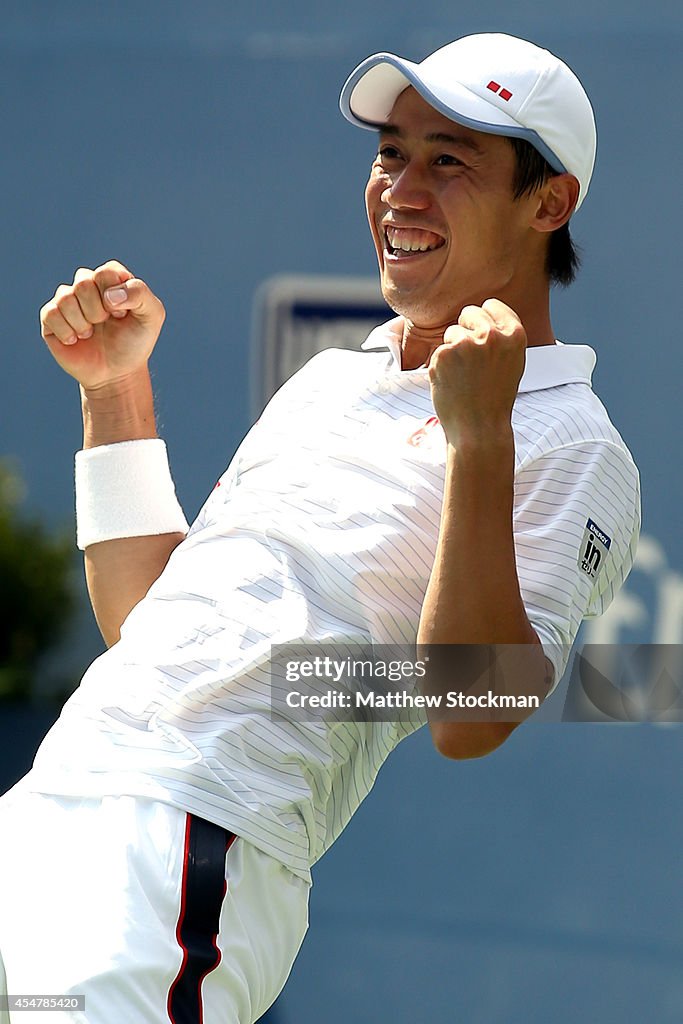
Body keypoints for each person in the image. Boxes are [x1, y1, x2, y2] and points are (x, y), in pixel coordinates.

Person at [0, 31, 639, 1024]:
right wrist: (117, 392)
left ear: (546, 203)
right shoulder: (330, 380)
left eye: (448, 161)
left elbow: (474, 707)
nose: (399, 187)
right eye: (390, 152)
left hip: (188, 842)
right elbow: (144, 622)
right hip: (50, 806)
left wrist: (477, 439)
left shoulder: (572, 439)